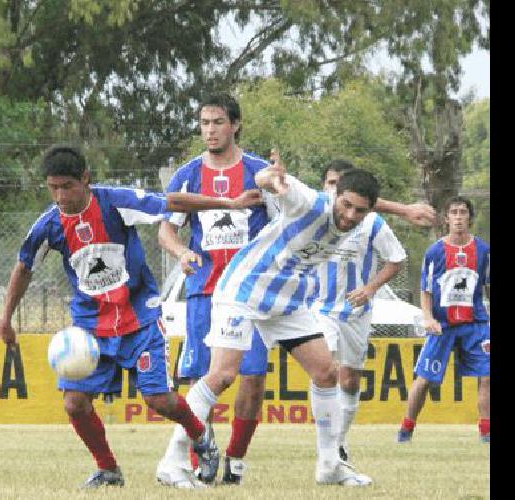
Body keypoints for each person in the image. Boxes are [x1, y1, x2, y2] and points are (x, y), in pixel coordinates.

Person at [0, 145, 263, 489]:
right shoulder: (50, 224)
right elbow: (23, 267)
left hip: (139, 319)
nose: (61, 196)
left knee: (158, 400)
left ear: (86, 180)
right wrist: (6, 318)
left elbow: (174, 202)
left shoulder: (116, 202)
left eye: (67, 186)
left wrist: (229, 203)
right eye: (53, 188)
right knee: (75, 403)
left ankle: (201, 438)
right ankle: (108, 469)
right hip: (91, 327)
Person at [179, 150, 387, 487]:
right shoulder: (308, 201)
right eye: (345, 205)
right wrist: (272, 178)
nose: (350, 216)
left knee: (326, 372)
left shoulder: (359, 217)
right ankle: (174, 461)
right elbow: (266, 181)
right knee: (222, 375)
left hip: (286, 298)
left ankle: (330, 465)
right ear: (334, 195)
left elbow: (373, 207)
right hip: (245, 289)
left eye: (359, 210)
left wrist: (405, 209)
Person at [156, 93, 274, 488]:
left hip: (250, 293)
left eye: (218, 122)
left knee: (252, 378)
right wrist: (182, 251)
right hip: (204, 290)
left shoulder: (259, 172)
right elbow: (166, 230)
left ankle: (235, 461)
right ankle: (200, 458)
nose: (210, 130)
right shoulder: (187, 175)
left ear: (236, 125)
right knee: (201, 376)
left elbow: (283, 223)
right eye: (204, 123)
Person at [308, 160, 416, 470]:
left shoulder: (372, 223)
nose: (334, 188)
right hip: (320, 307)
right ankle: (327, 449)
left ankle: (339, 442)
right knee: (326, 370)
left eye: (338, 182)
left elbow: (396, 260)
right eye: (330, 183)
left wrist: (369, 289)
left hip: (356, 312)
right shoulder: (316, 215)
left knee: (350, 380)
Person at [398, 196, 490, 444]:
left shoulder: (483, 251)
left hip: (476, 324)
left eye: (463, 212)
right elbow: (426, 290)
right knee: (425, 379)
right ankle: (406, 428)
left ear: (470, 217)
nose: (458, 217)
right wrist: (428, 317)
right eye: (454, 213)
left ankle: (486, 432)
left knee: (487, 374)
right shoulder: (435, 251)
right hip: (443, 325)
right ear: (446, 218)